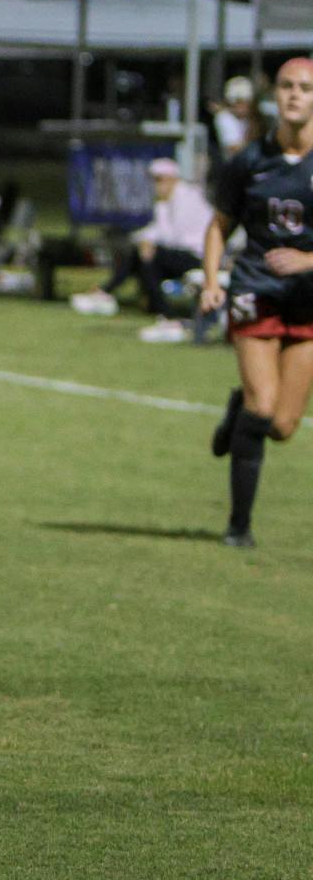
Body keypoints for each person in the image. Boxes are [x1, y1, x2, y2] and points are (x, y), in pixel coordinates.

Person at [201, 56, 313, 548]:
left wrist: (309, 262)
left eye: (305, 88)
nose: (294, 96)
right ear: (275, 96)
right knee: (264, 406)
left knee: (284, 425)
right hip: (253, 290)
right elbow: (219, 225)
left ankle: (235, 412)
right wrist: (211, 280)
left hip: (307, 299)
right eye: (287, 86)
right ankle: (238, 527)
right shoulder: (248, 161)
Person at [70, 157, 211, 339]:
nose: (156, 185)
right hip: (180, 254)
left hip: (198, 255)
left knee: (149, 256)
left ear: (173, 179)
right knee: (144, 257)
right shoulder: (164, 203)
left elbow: (176, 237)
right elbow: (157, 231)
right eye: (154, 180)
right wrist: (141, 240)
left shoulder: (188, 198)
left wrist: (147, 243)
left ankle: (165, 315)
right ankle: (160, 313)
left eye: (160, 180)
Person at [215, 75, 255, 160]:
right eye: (238, 102)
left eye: (245, 102)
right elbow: (234, 147)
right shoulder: (224, 117)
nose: (242, 107)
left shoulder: (250, 119)